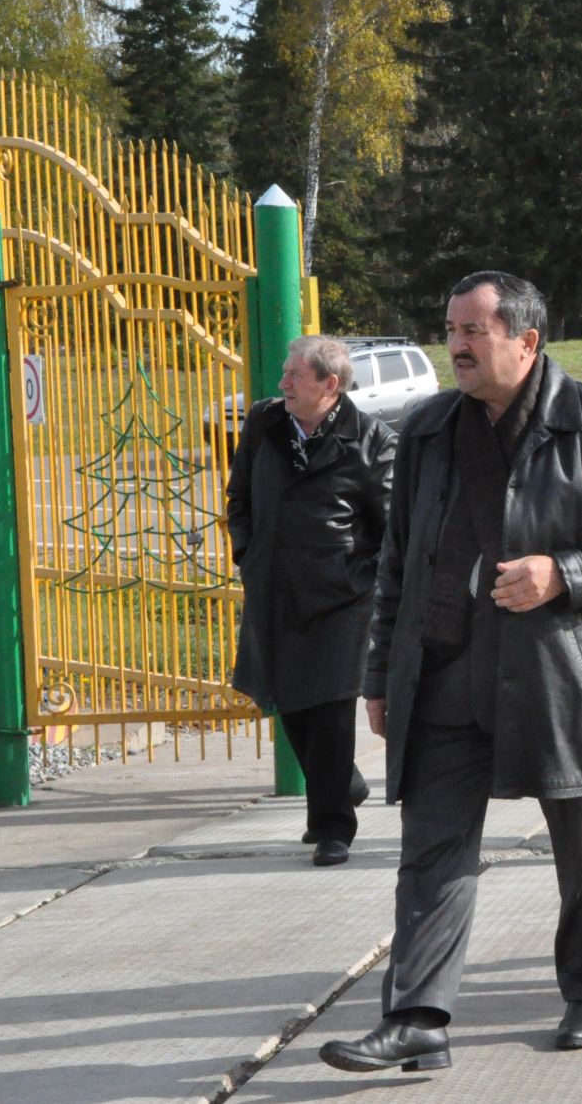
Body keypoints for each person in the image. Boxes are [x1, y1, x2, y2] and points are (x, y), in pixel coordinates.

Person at [319, 272, 582, 1073]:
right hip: (443, 667)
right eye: (451, 329)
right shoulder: (426, 428)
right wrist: (380, 672)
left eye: (474, 330)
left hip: (558, 672)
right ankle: (417, 1015)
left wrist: (565, 574)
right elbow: (399, 562)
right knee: (432, 850)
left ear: (526, 339)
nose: (456, 344)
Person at [227, 335, 396, 868]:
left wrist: (357, 579)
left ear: (329, 384)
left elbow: (392, 528)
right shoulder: (265, 423)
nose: (282, 385)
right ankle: (342, 782)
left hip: (339, 600)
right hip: (274, 588)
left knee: (327, 708)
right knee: (286, 699)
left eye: (293, 376)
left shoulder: (371, 441)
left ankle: (331, 829)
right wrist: (247, 553)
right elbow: (240, 495)